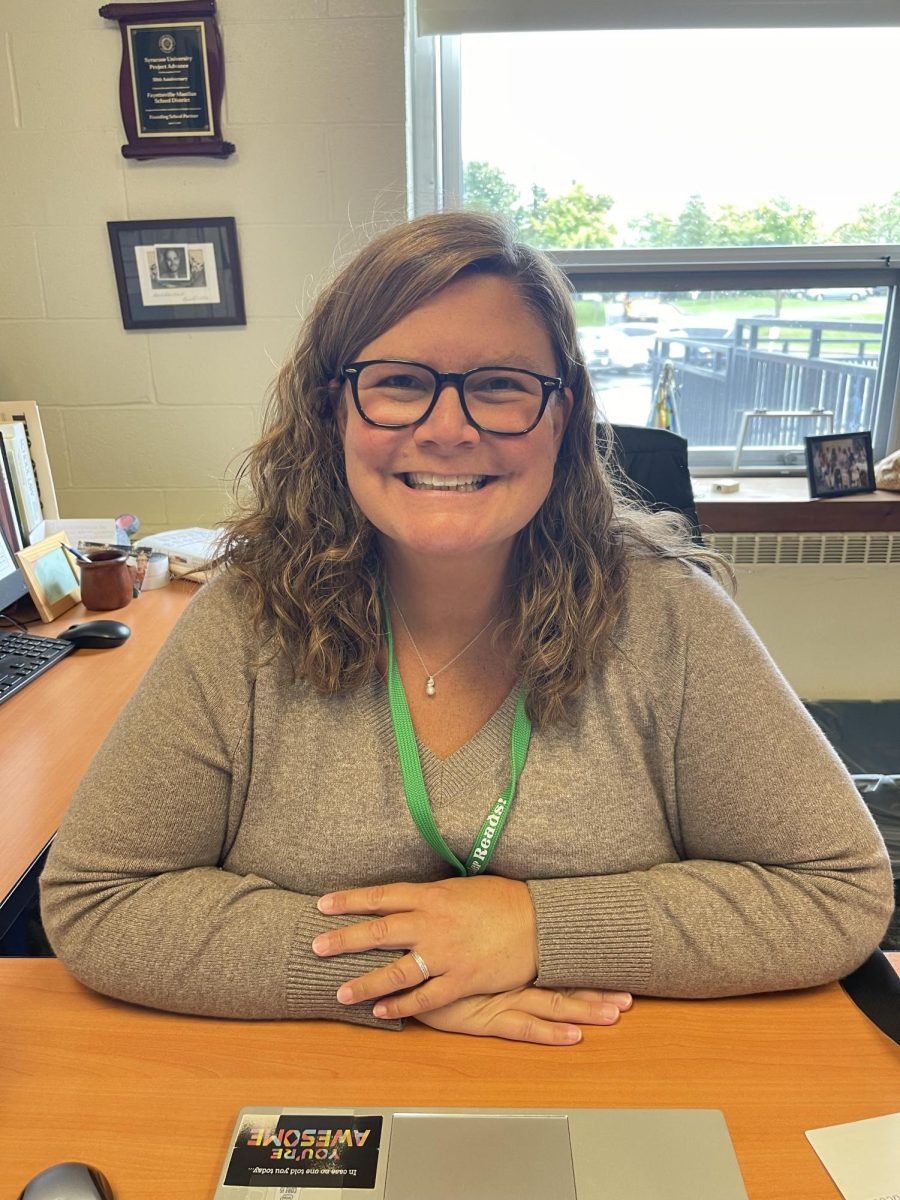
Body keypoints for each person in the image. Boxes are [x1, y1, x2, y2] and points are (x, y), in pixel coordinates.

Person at [40, 212, 893, 1046]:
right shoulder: (243, 619)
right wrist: (411, 970)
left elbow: (839, 891)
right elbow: (99, 900)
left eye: (500, 386)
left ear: (560, 419)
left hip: (610, 1083)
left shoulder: (669, 617)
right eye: (400, 382)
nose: (449, 429)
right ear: (334, 410)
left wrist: (534, 928)